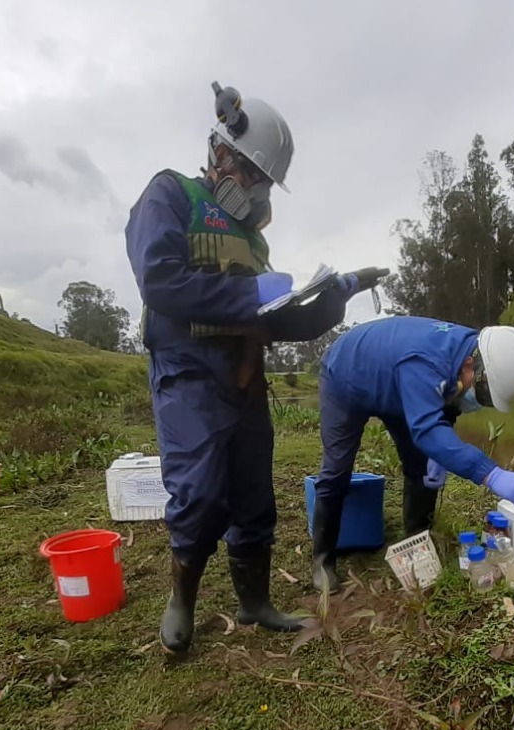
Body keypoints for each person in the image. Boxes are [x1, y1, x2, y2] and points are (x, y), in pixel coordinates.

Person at [125, 82, 360, 656]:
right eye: (251, 172)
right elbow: (161, 282)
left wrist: (330, 299)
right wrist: (248, 294)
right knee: (201, 493)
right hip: (188, 372)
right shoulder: (169, 194)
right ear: (220, 151)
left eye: (263, 181)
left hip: (245, 376)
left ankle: (253, 601)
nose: (254, 188)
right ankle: (182, 598)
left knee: (253, 493)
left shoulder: (253, 240)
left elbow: (272, 320)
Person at [310, 317, 514, 590]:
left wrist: (437, 450)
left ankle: (417, 541)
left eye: (489, 400)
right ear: (471, 365)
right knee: (337, 468)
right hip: (346, 377)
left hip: (395, 385)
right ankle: (322, 560)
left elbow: (448, 402)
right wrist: (491, 474)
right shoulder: (425, 362)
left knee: (420, 463)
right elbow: (427, 429)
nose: (481, 402)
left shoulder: (471, 352)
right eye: (483, 395)